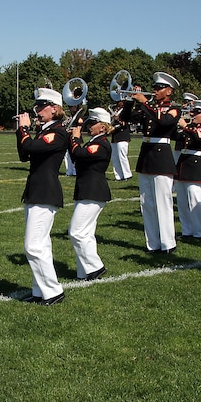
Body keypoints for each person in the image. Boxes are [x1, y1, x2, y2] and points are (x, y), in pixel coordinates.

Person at [16, 87, 68, 305]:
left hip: (45, 192)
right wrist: (22, 131)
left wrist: (24, 129)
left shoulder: (57, 132)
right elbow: (23, 155)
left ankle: (53, 291)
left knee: (34, 245)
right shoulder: (44, 130)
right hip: (36, 191)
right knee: (41, 245)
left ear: (54, 109)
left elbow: (30, 146)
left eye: (41, 106)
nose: (37, 110)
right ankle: (40, 291)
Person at [120, 72, 181, 254]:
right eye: (154, 88)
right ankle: (152, 243)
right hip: (146, 156)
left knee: (163, 201)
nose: (155, 90)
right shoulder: (150, 108)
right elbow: (126, 118)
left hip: (162, 157)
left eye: (159, 88)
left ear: (169, 91)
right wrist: (130, 101)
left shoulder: (174, 109)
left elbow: (164, 122)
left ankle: (168, 243)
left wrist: (145, 102)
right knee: (147, 203)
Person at [68, 107, 112, 281]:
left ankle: (95, 267)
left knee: (76, 232)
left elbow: (79, 154)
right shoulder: (94, 141)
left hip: (93, 191)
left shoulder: (100, 143)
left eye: (93, 123)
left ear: (103, 127)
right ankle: (84, 272)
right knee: (86, 233)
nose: (89, 126)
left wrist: (75, 138)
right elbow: (75, 156)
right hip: (88, 190)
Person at [175, 100, 201, 240]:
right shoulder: (190, 128)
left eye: (197, 113)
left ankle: (200, 232)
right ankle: (187, 230)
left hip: (196, 165)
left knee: (195, 199)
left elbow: (200, 139)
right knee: (182, 201)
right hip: (183, 164)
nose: (193, 114)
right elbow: (177, 137)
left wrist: (185, 127)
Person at [109, 100, 133, 181]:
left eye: (121, 101)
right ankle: (118, 176)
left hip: (123, 136)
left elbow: (125, 123)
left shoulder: (125, 111)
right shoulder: (115, 111)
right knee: (115, 157)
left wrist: (117, 119)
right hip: (115, 136)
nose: (118, 103)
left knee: (122, 156)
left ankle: (127, 175)